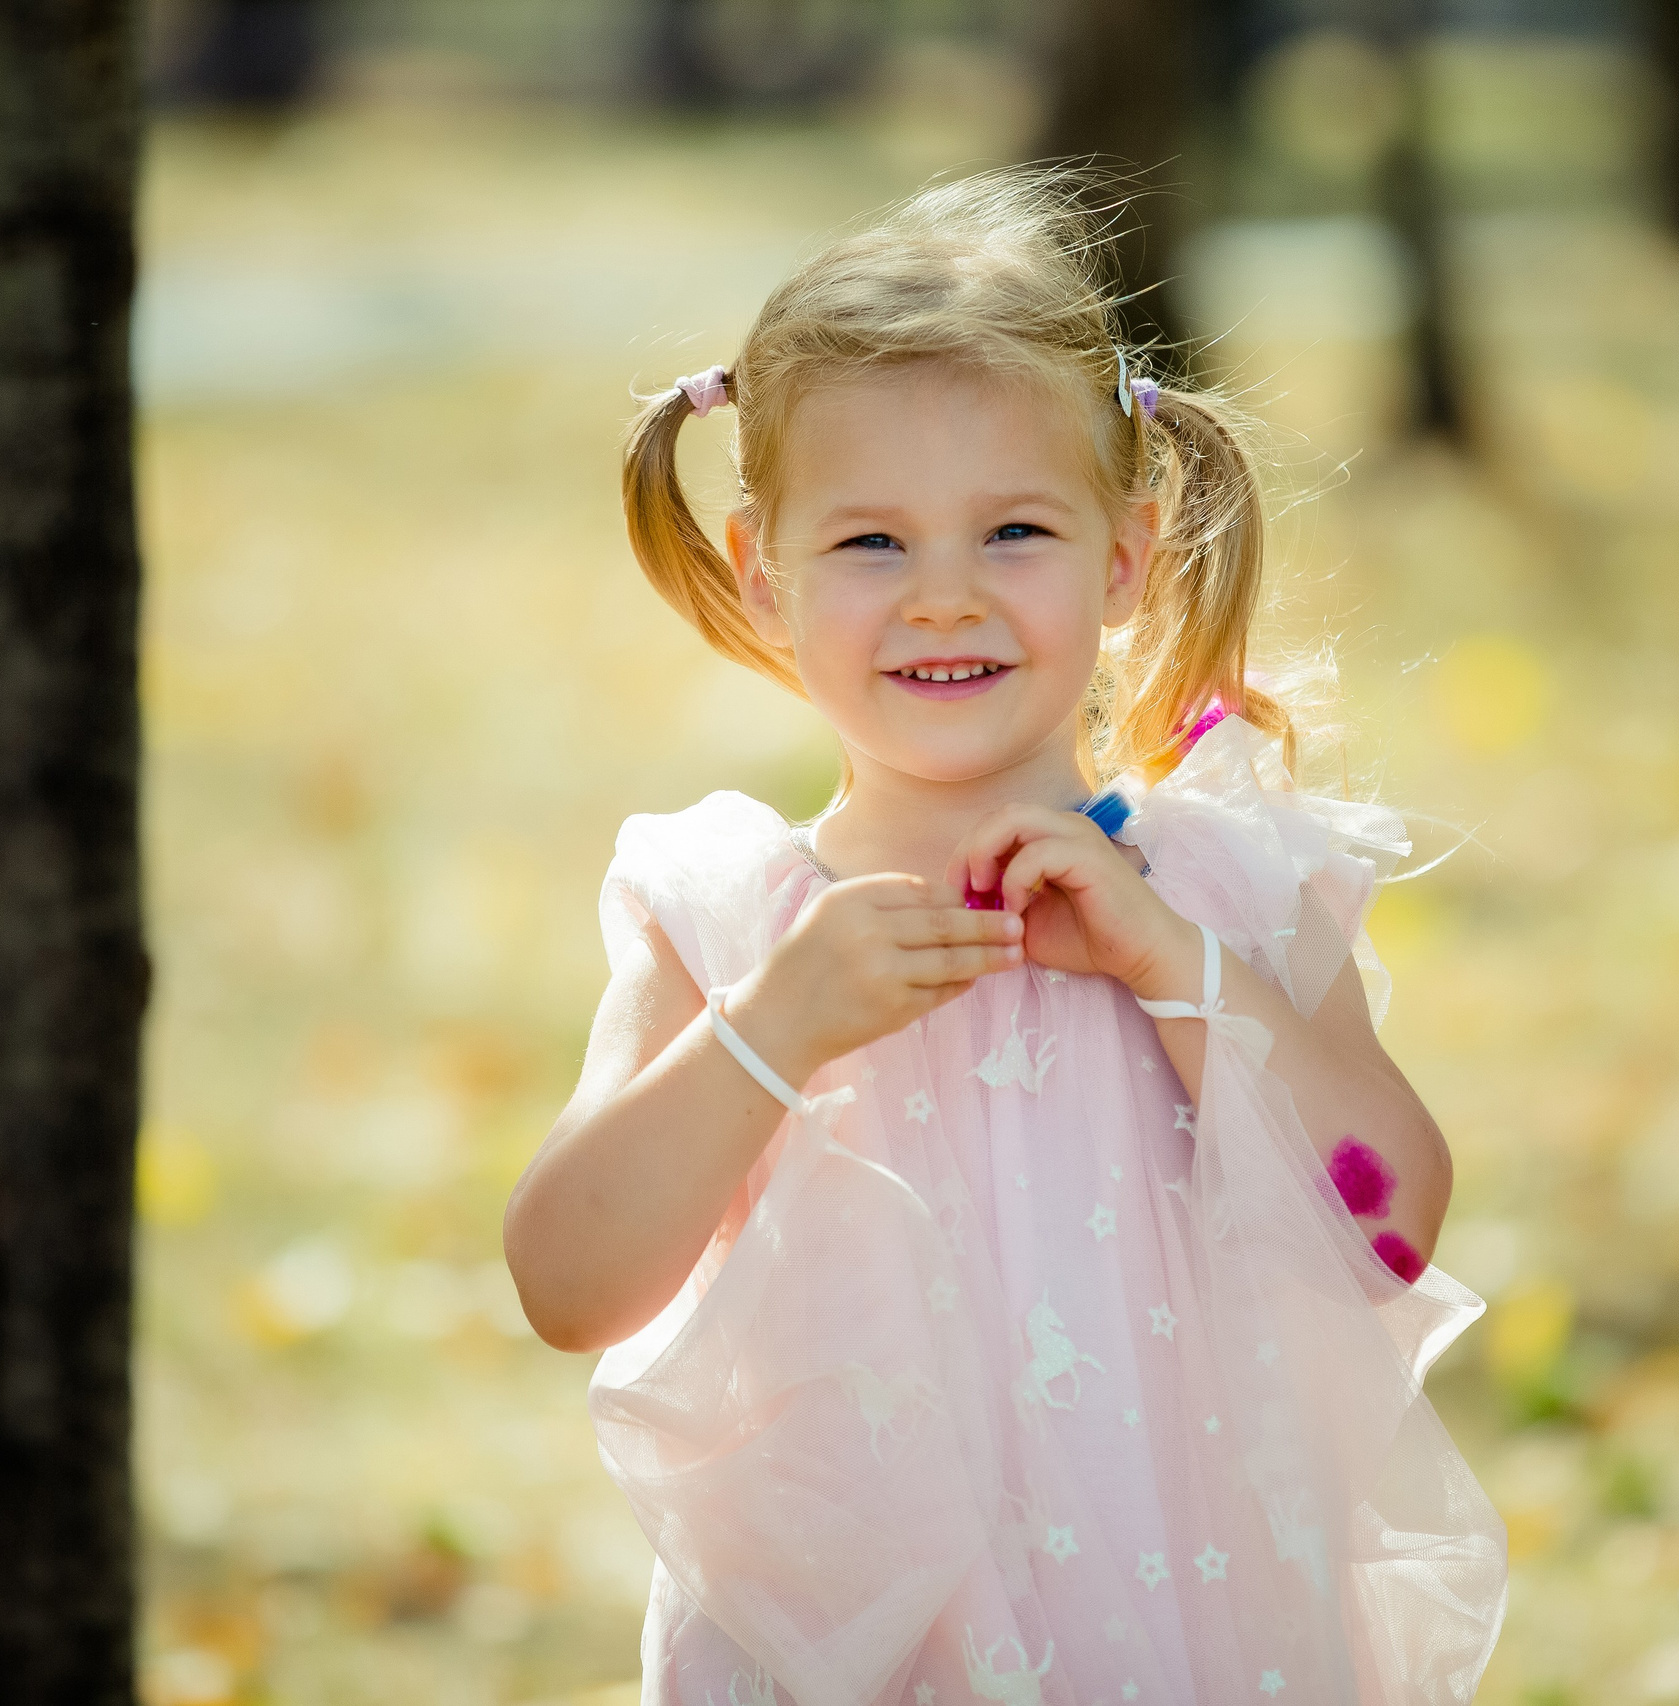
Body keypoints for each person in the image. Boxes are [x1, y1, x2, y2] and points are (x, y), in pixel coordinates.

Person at [502, 168, 1504, 1706]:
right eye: (873, 544)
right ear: (766, 574)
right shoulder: (732, 914)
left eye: (1014, 529)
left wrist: (1178, 965)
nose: (944, 598)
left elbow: (1388, 1232)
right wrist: (769, 1030)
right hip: (858, 1645)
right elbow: (569, 1285)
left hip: (1192, 1626)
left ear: (1125, 558)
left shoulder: (1228, 892)